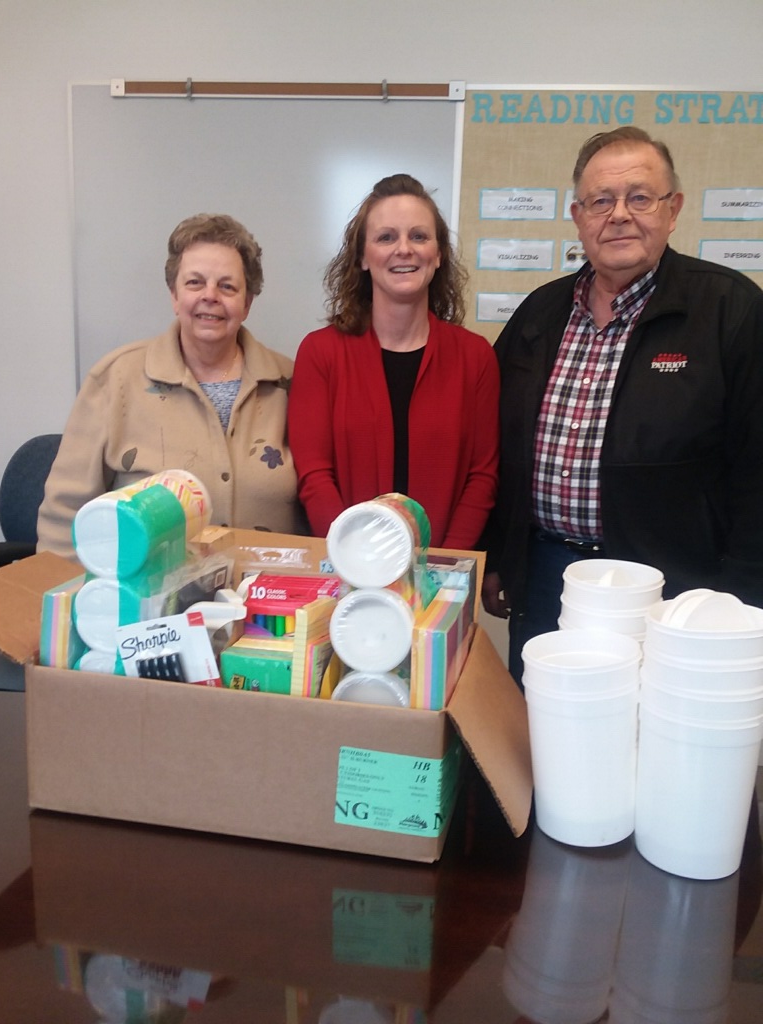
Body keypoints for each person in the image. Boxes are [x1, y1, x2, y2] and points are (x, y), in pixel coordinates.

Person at [482, 127, 763, 684]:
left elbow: (757, 471)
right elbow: (498, 447)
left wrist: (739, 599)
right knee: (544, 720)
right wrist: (499, 557)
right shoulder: (540, 313)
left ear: (673, 209)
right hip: (547, 576)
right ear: (578, 216)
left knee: (656, 725)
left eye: (640, 197)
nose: (619, 216)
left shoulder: (731, 310)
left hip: (672, 588)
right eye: (601, 201)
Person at [37, 213, 303, 558]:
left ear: (247, 303)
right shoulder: (116, 379)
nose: (210, 296)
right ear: (174, 296)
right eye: (195, 283)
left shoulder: (291, 382)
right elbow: (64, 518)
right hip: (146, 590)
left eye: (227, 286)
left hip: (272, 587)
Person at [288, 173, 499, 549]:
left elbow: (481, 478)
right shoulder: (320, 354)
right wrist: (355, 557)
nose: (404, 249)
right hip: (346, 563)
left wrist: (442, 564)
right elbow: (314, 475)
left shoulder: (475, 357)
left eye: (419, 236)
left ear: (438, 254)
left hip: (444, 569)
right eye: (386, 237)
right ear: (362, 257)